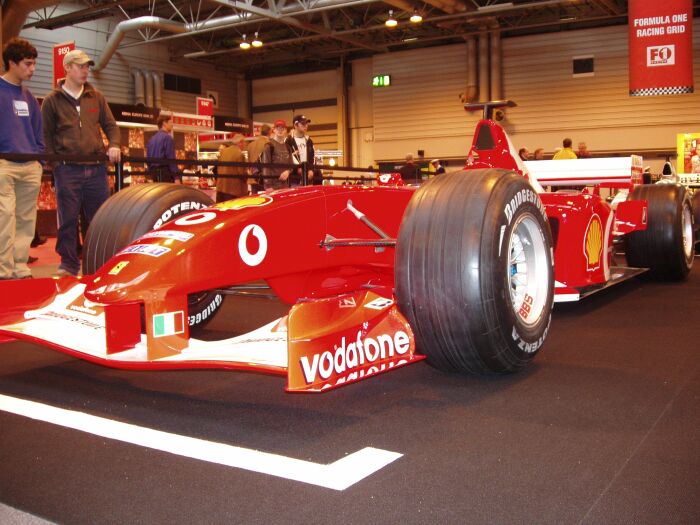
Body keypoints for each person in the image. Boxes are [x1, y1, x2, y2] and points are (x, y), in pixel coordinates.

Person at [42, 49, 120, 277]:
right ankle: (68, 264)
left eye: (87, 66)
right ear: (67, 68)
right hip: (67, 169)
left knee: (98, 219)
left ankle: (97, 262)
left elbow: (111, 126)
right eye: (80, 66)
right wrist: (55, 167)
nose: (86, 70)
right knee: (67, 220)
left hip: (96, 169)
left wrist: (114, 144)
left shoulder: (96, 97)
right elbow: (46, 137)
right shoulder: (52, 101)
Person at [0, 37, 44, 280]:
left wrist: (38, 159)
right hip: (4, 165)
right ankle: (3, 271)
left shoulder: (29, 97)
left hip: (30, 166)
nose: (32, 69)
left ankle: (19, 267)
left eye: (34, 63)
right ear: (12, 62)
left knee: (26, 221)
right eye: (27, 64)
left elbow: (38, 130)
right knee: (4, 219)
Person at [260, 119, 292, 190]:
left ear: (285, 130)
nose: (280, 130)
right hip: (272, 187)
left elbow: (291, 165)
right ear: (274, 130)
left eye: (282, 128)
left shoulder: (288, 147)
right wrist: (268, 186)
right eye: (278, 128)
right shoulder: (269, 146)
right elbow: (265, 167)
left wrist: (287, 171)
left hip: (285, 186)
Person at [285, 114, 316, 185]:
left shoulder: (309, 140)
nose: (306, 126)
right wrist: (297, 168)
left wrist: (311, 170)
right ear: (295, 125)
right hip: (294, 178)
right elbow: (286, 157)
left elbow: (313, 156)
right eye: (302, 124)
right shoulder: (288, 140)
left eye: (306, 123)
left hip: (308, 176)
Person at [146, 113, 178, 182]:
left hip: (153, 174)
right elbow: (171, 159)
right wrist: (176, 177)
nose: (172, 125)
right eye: (171, 122)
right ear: (164, 123)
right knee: (167, 193)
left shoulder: (151, 139)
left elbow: (148, 160)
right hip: (165, 174)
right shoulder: (168, 138)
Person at [216, 134, 248, 202]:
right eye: (244, 142)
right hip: (234, 191)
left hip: (221, 188)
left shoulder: (223, 152)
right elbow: (242, 173)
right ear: (240, 142)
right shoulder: (239, 154)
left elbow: (218, 168)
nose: (245, 144)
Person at [246, 124, 271, 193]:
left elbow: (249, 163)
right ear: (269, 132)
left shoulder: (251, 145)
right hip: (266, 179)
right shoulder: (270, 144)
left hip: (253, 179)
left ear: (260, 132)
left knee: (256, 200)